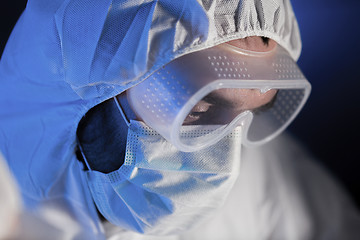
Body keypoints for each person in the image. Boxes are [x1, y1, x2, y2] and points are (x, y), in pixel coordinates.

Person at [0, 0, 359, 239]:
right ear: (92, 88)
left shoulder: (270, 178)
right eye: (199, 108)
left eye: (249, 114)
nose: (226, 162)